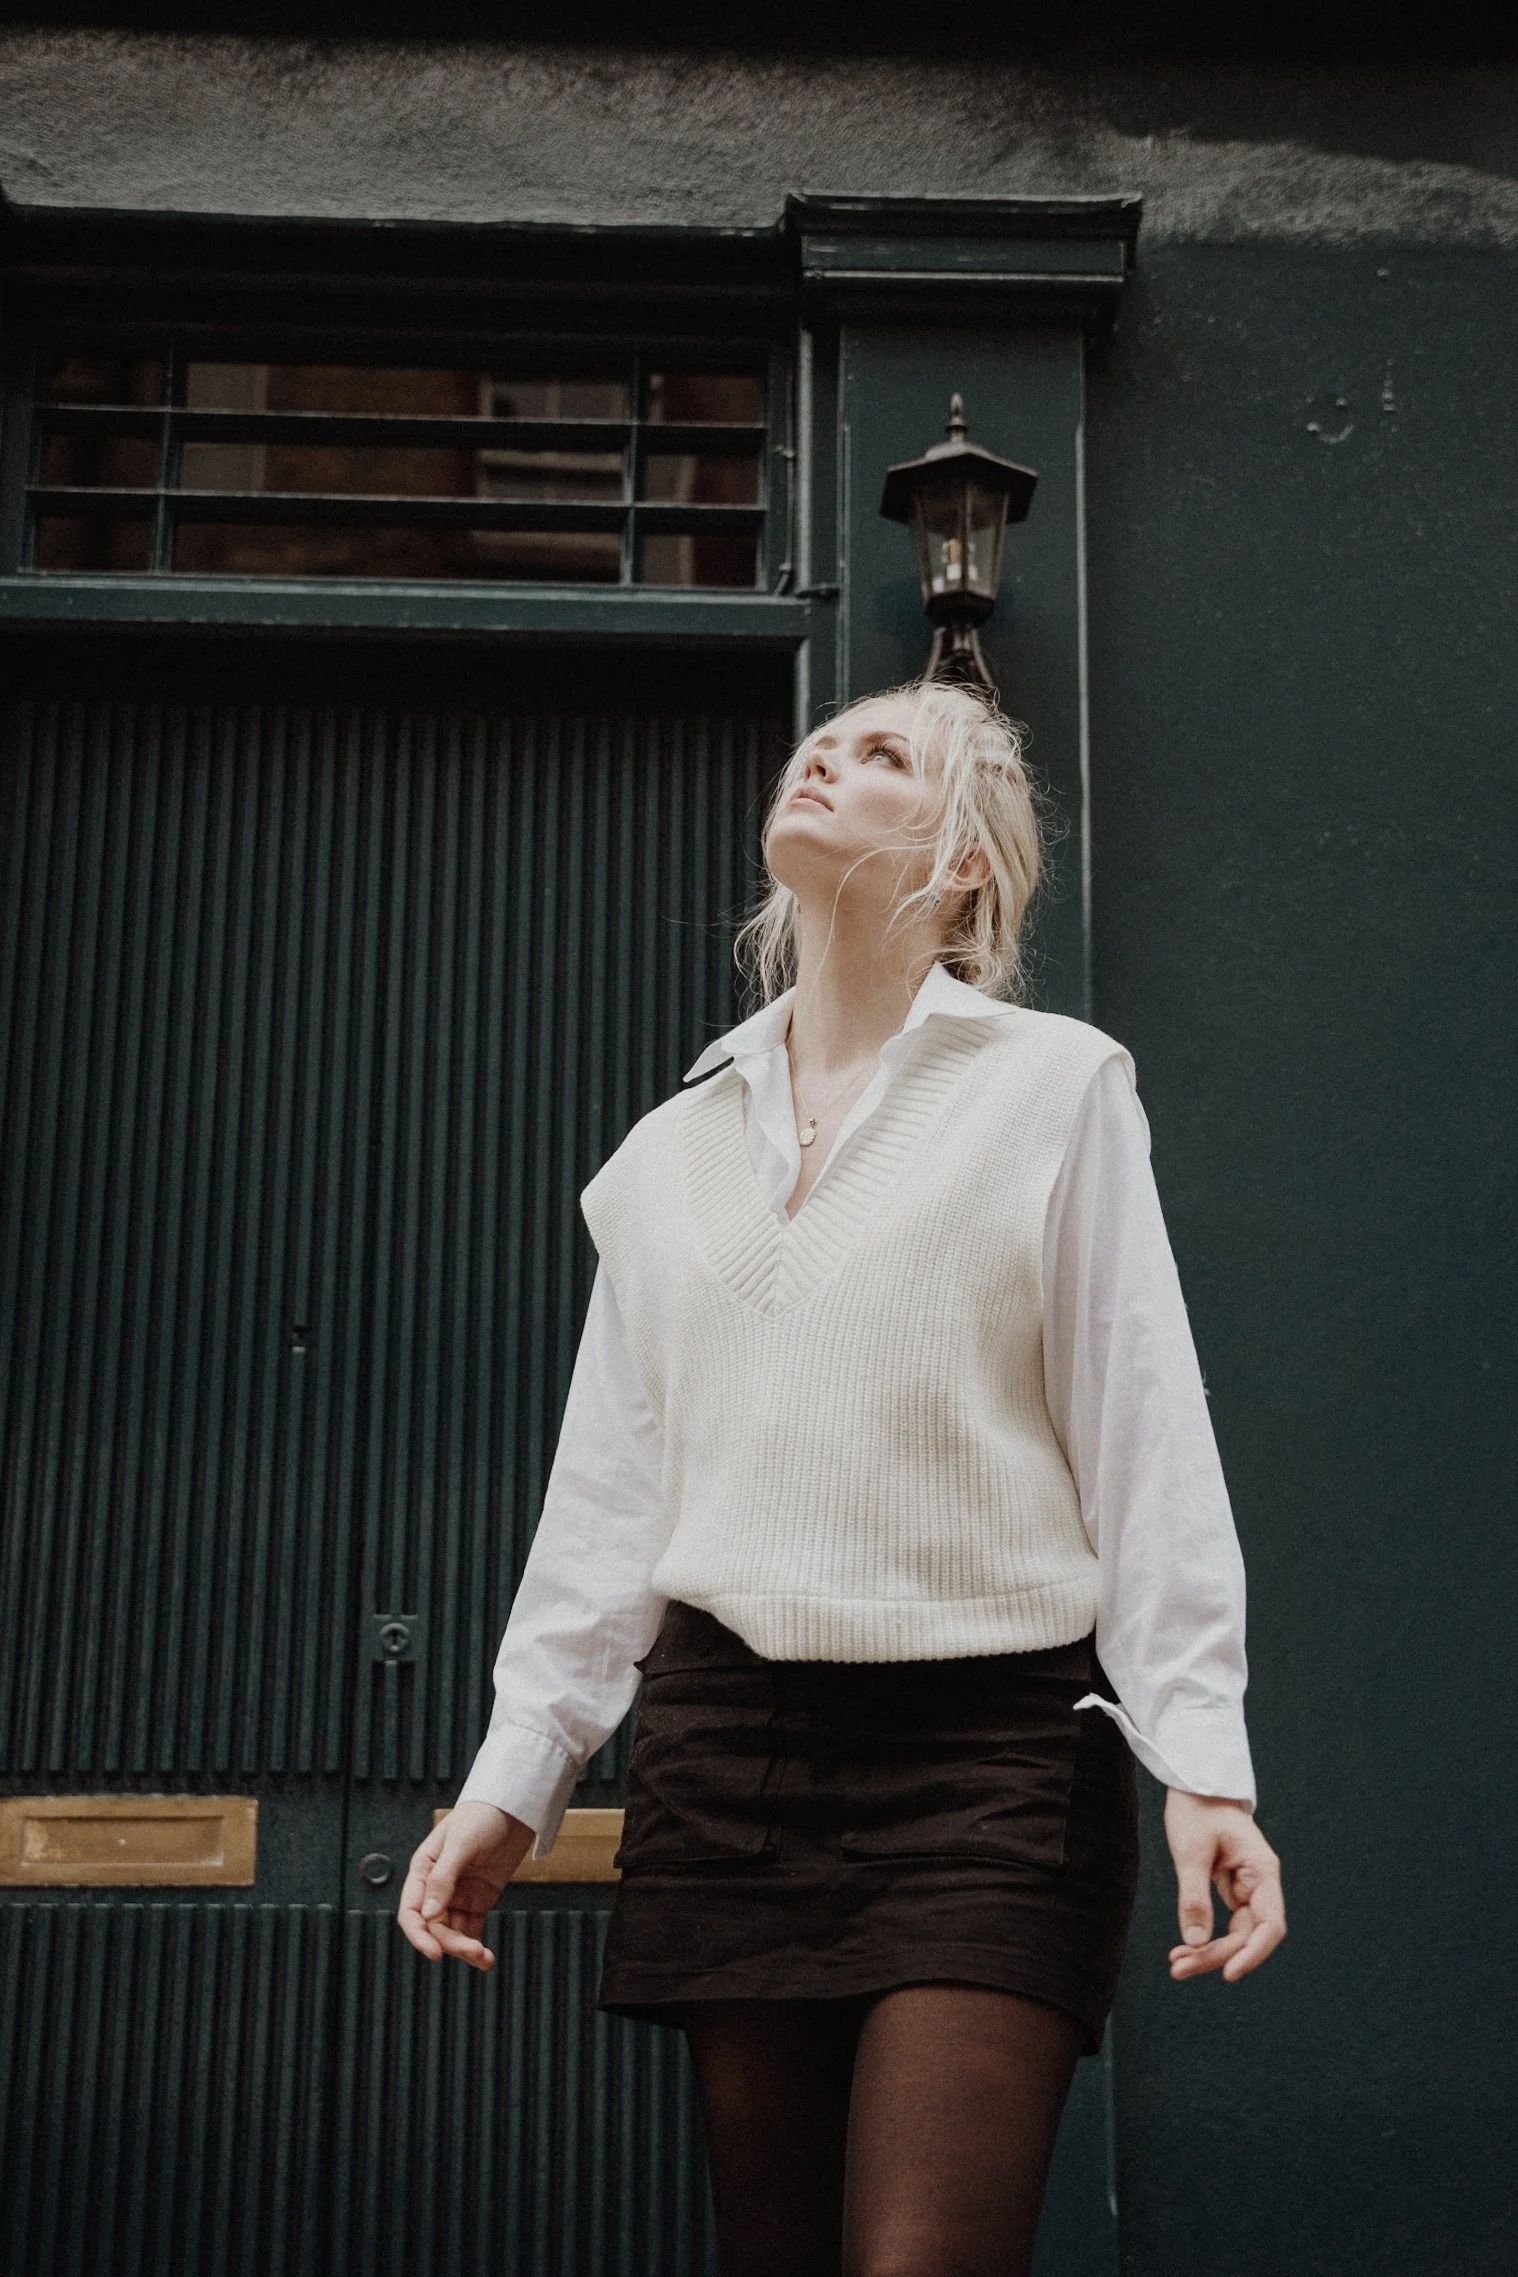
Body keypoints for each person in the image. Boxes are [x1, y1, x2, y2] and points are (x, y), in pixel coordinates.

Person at [398, 676, 1286, 2277]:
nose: (826, 755)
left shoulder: (1051, 1089)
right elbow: (613, 1494)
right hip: (733, 1754)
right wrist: (514, 1773)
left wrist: (1202, 1762)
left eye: (884, 756)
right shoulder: (662, 1159)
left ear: (959, 865)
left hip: (994, 1758)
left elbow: (1142, 1429)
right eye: (825, 741)